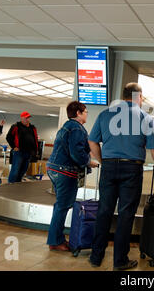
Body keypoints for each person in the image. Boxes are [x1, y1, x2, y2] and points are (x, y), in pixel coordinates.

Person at [88, 82, 154, 271]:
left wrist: (103, 161)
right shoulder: (145, 118)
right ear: (139, 97)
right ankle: (120, 261)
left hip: (109, 167)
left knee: (104, 211)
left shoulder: (105, 114)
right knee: (126, 214)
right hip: (132, 169)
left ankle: (96, 256)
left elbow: (92, 141)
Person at [46, 101, 99, 251]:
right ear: (78, 113)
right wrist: (89, 162)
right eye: (86, 111)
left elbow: (81, 147)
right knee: (62, 207)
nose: (87, 114)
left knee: (60, 206)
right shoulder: (77, 128)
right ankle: (55, 241)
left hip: (55, 168)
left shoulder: (67, 126)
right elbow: (76, 153)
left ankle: (56, 238)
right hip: (65, 171)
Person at [6, 111, 39, 183]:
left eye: (28, 118)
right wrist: (14, 146)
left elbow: (35, 139)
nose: (27, 119)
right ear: (22, 118)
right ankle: (10, 184)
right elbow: (8, 137)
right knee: (15, 170)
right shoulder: (16, 126)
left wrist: (35, 151)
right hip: (19, 152)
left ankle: (17, 183)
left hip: (28, 152)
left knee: (23, 170)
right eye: (26, 118)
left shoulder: (32, 128)